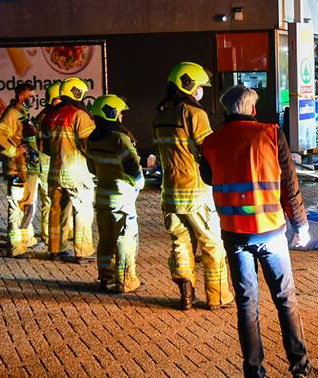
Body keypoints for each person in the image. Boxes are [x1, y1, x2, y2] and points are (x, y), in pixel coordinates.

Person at [199, 84, 318, 378]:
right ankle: (301, 373)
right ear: (253, 109)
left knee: (246, 306)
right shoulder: (270, 133)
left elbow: (208, 177)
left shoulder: (210, 143)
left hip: (235, 234)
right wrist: (301, 226)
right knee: (285, 300)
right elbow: (289, 184)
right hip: (271, 232)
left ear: (226, 111)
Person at [153, 61, 234, 310]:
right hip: (196, 191)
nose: (200, 91)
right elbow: (208, 151)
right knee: (212, 244)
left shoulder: (160, 114)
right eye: (199, 86)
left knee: (180, 243)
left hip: (169, 192)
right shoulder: (194, 114)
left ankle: (186, 296)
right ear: (188, 85)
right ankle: (218, 297)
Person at [86, 94, 144, 294]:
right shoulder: (119, 139)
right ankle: (126, 281)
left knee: (106, 239)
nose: (122, 117)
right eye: (120, 113)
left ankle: (105, 277)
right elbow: (132, 168)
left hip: (101, 195)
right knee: (124, 238)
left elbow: (92, 168)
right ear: (112, 114)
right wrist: (139, 184)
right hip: (122, 197)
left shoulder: (92, 139)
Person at [40, 78, 96, 262]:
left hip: (55, 172)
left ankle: (55, 250)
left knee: (57, 212)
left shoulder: (51, 115)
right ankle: (83, 251)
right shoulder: (79, 115)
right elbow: (89, 145)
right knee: (83, 211)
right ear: (78, 93)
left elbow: (44, 145)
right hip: (76, 173)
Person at [0, 81, 36, 257]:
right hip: (17, 169)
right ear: (21, 96)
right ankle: (15, 247)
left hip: (26, 169)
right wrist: (14, 152)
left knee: (27, 206)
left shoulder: (22, 113)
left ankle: (25, 241)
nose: (32, 100)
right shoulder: (11, 114)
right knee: (16, 208)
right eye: (30, 97)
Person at [22, 81, 62, 250]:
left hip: (39, 164)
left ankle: (43, 235)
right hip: (45, 164)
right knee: (49, 201)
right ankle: (47, 235)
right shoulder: (51, 117)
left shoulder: (43, 115)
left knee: (43, 201)